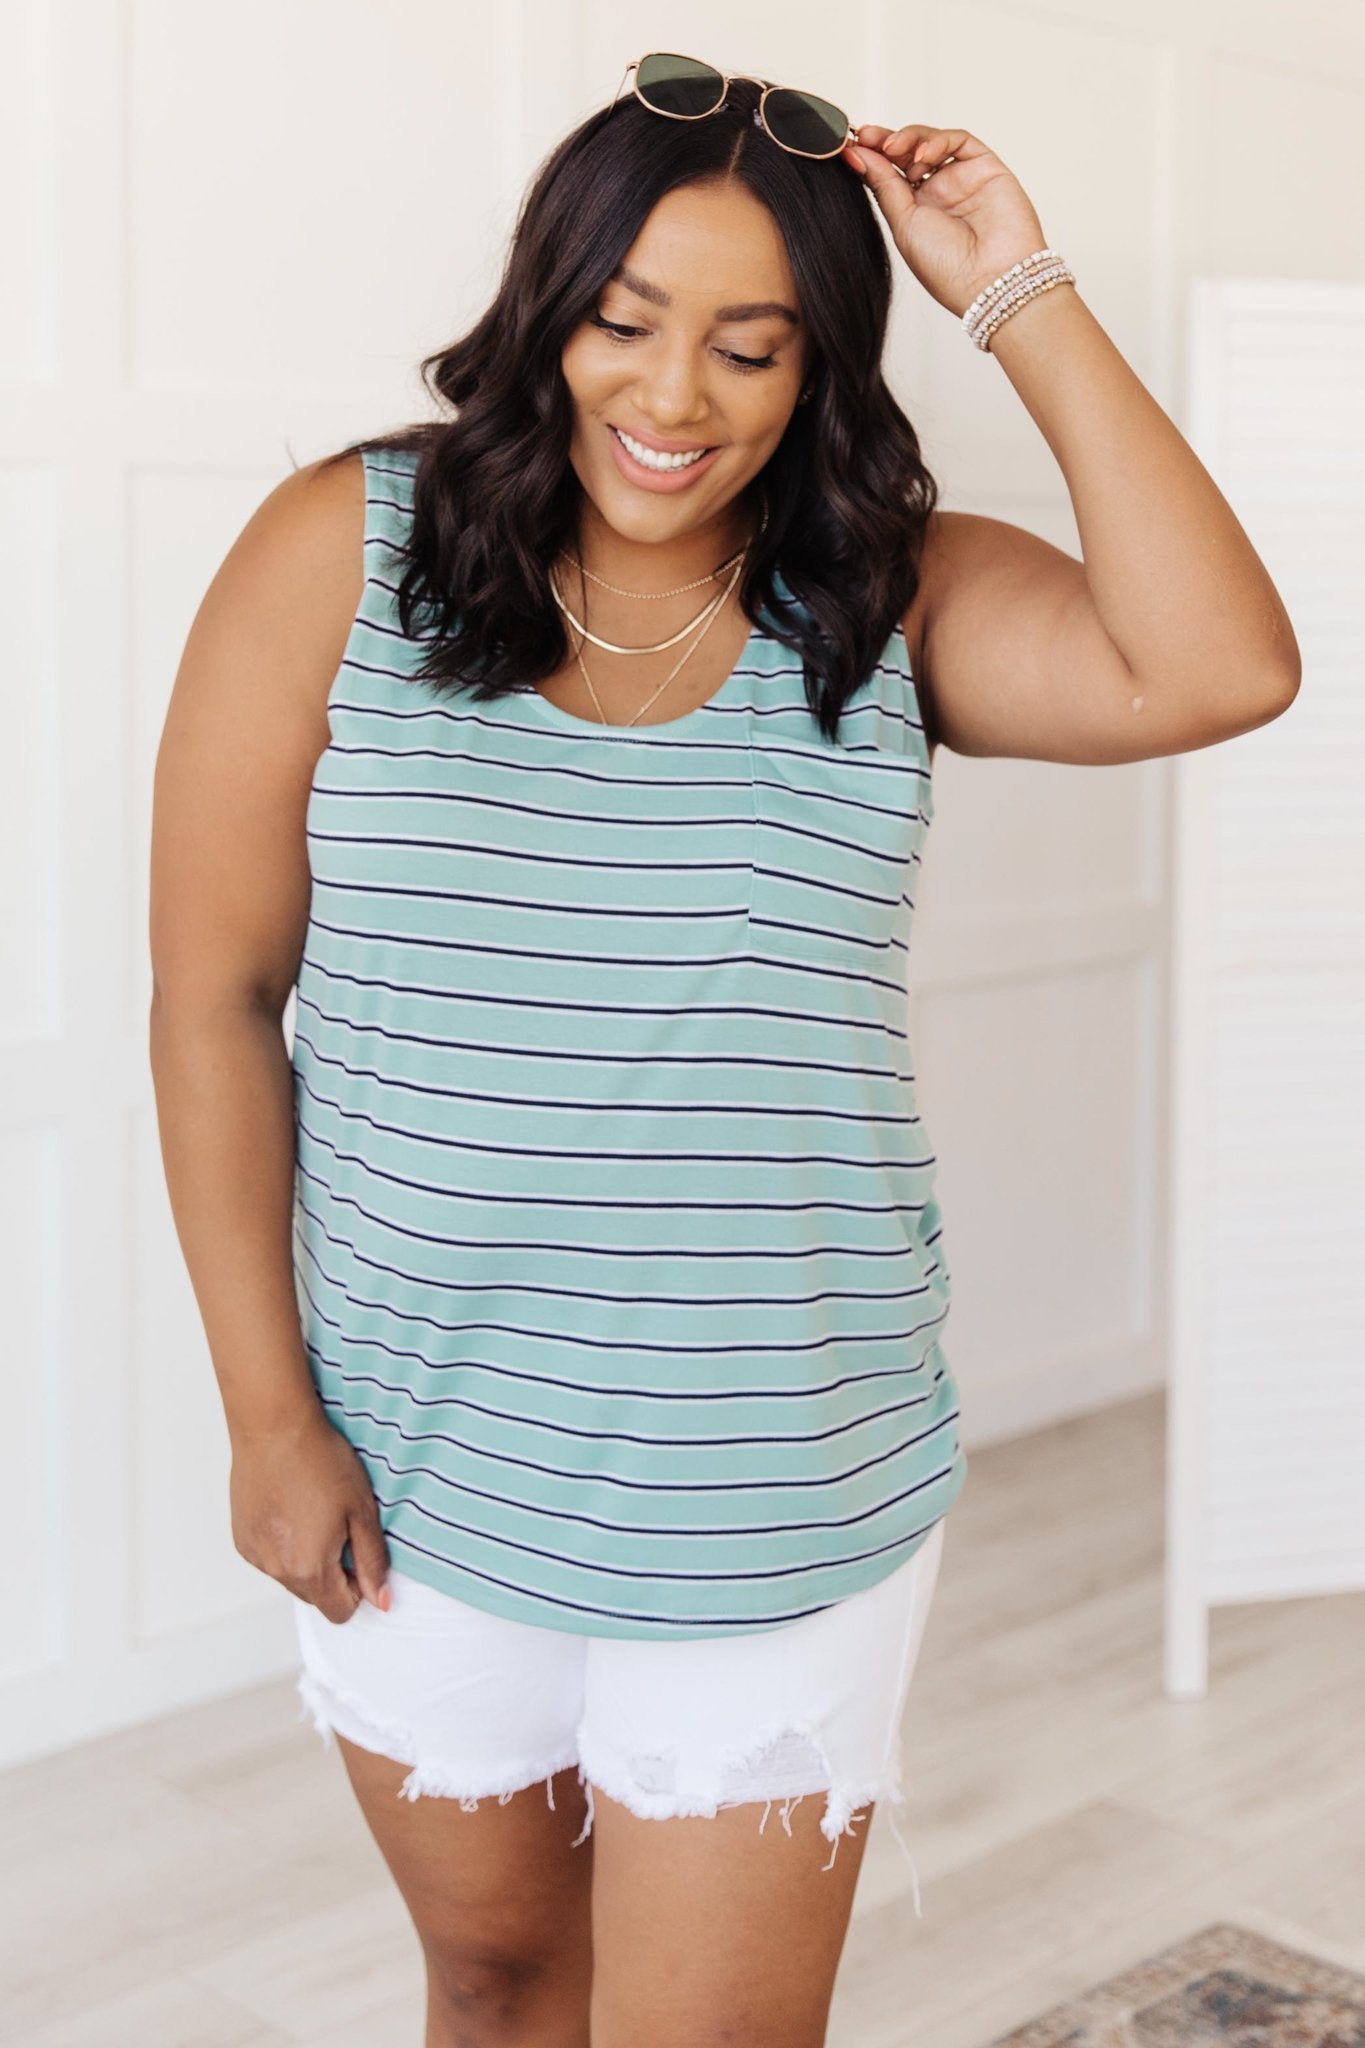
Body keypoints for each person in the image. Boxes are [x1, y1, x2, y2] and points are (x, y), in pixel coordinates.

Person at [148, 55, 1300, 2048]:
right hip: (415, 1464)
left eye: (748, 346)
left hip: (778, 1480)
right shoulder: (343, 552)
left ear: (818, 368)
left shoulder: (879, 598)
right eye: (624, 323)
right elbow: (210, 1000)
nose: (671, 398)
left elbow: (1215, 663)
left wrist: (1014, 284)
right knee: (498, 1983)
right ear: (547, 310)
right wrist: (266, 1412)